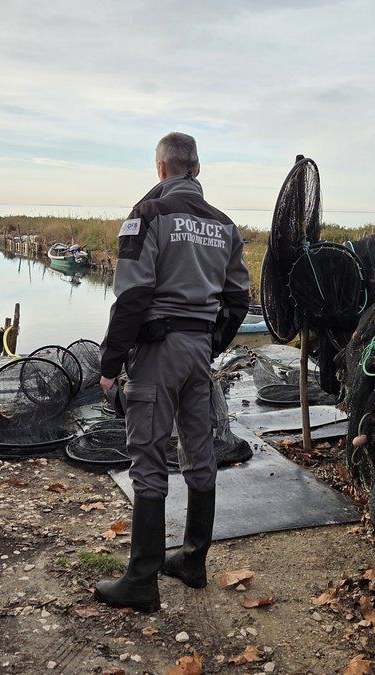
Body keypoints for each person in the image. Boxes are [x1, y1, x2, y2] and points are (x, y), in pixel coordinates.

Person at [95, 132, 251, 611]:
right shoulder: (224, 225)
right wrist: (208, 344)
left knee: (147, 457)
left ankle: (142, 581)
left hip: (158, 352)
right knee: (198, 451)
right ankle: (192, 560)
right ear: (196, 169)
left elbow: (132, 296)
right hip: (199, 349)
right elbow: (238, 298)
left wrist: (110, 362)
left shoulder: (148, 215)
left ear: (161, 168)